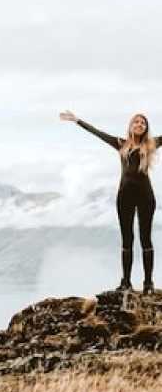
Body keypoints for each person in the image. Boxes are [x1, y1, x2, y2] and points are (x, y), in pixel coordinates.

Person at [60, 110, 160, 294]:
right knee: (127, 239)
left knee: (145, 239)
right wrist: (77, 120)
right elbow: (98, 133)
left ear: (146, 129)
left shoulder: (152, 144)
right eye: (136, 122)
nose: (139, 124)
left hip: (146, 197)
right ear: (131, 126)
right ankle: (126, 282)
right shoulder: (121, 144)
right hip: (124, 197)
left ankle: (148, 283)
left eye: (143, 123)